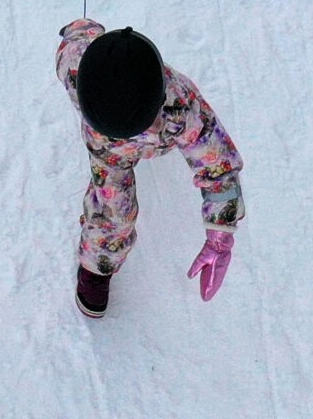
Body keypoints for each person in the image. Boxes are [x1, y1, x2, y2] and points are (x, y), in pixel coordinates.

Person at [57, 19, 244, 317]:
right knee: (113, 212)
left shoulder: (181, 108)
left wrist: (220, 235)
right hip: (109, 156)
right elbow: (75, 43)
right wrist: (80, 29)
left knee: (187, 141)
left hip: (160, 139)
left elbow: (218, 165)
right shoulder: (74, 68)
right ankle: (98, 266)